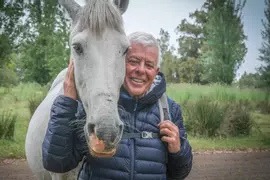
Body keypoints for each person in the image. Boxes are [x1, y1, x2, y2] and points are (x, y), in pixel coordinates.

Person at [42, 31, 193, 179]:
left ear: (156, 71)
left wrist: (178, 151)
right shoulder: (98, 107)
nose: (140, 70)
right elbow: (57, 163)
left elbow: (180, 173)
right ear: (118, 63)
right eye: (133, 61)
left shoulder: (169, 109)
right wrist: (67, 101)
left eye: (149, 65)